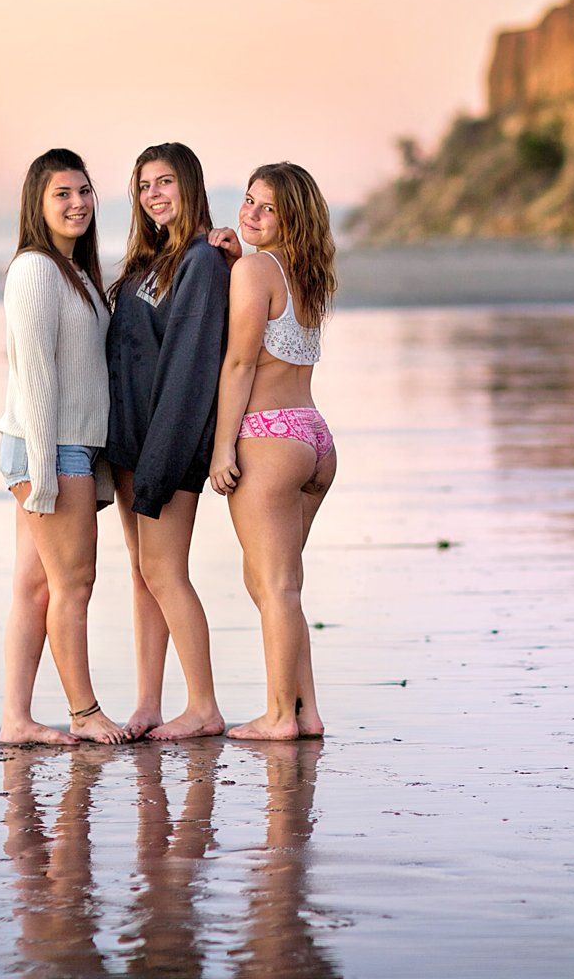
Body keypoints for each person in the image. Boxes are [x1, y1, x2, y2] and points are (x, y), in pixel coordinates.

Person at [0, 149, 129, 747]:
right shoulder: (34, 270)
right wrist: (47, 471)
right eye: (62, 194)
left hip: (57, 447)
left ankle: (16, 720)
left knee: (37, 588)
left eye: (84, 191)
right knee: (75, 584)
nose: (77, 203)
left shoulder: (75, 272)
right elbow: (36, 375)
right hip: (47, 448)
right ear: (38, 203)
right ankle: (84, 711)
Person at [106, 142, 233, 740]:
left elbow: (189, 367)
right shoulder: (148, 263)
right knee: (142, 574)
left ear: (189, 185)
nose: (153, 194)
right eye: (143, 185)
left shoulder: (202, 261)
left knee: (166, 572)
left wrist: (160, 462)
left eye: (165, 182)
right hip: (131, 447)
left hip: (170, 447)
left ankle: (203, 705)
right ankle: (148, 703)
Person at [209, 162, 336, 740]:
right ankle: (305, 711)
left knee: (276, 585)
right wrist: (243, 258)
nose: (251, 214)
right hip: (312, 435)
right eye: (248, 201)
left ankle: (280, 715)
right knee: (275, 583)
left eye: (267, 209)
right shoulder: (305, 271)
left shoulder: (256, 270)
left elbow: (238, 363)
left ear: (290, 219)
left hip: (268, 436)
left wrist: (220, 449)